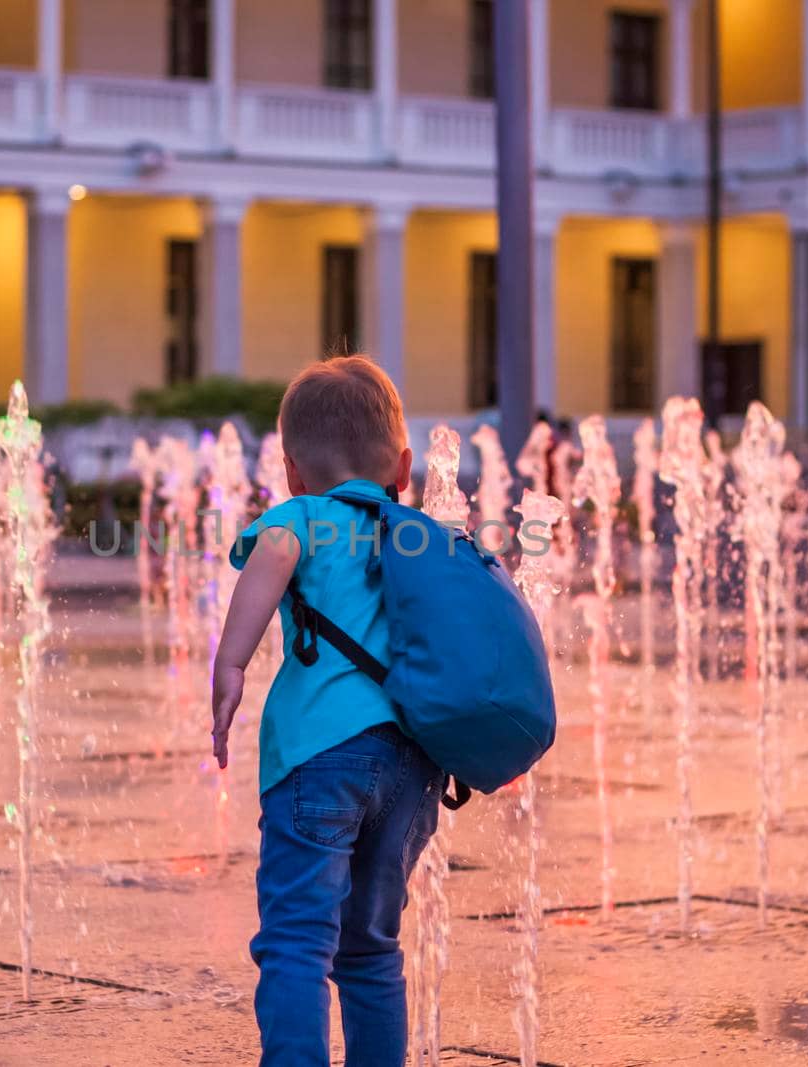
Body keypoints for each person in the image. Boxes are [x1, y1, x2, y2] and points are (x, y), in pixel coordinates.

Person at [212, 356, 445, 1066]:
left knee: (295, 940)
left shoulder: (298, 516)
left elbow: (269, 566)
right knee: (371, 946)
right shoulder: (414, 531)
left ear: (291, 470)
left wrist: (230, 664)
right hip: (411, 766)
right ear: (402, 465)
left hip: (318, 758)